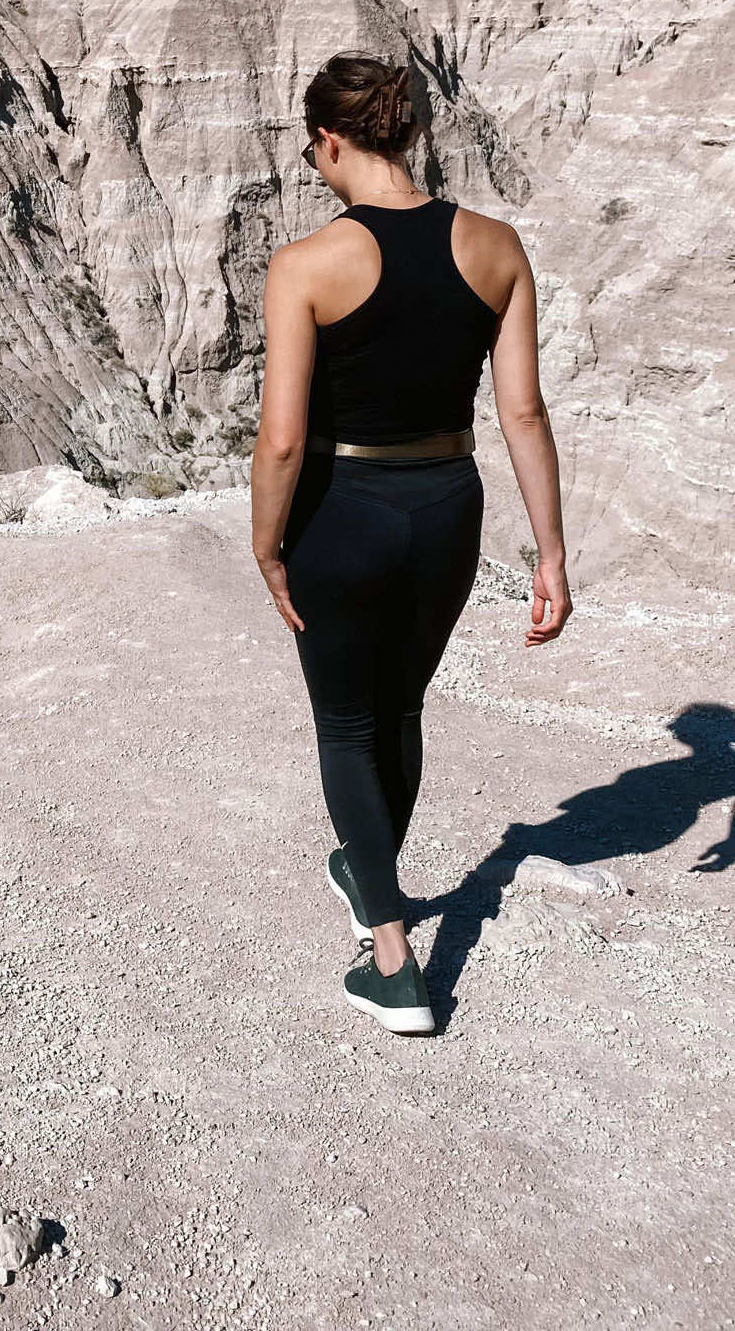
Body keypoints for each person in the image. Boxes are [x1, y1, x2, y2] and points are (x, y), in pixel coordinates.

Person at [250, 52, 572, 1034]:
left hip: (341, 509)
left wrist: (268, 544)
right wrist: (549, 554)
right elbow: (522, 411)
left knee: (346, 724)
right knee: (401, 706)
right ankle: (370, 862)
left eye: (312, 150)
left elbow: (284, 437)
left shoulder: (306, 266)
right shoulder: (497, 247)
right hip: (448, 506)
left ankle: (392, 958)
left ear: (334, 140)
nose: (314, 164)